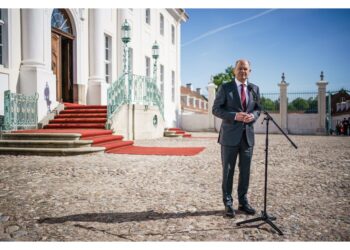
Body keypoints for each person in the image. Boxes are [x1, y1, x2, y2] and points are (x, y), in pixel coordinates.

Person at [212, 59, 261, 218]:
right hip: (229, 137)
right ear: (234, 71)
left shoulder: (254, 89)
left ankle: (243, 201)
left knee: (245, 171)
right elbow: (216, 109)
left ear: (250, 71)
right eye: (240, 68)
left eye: (246, 69)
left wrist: (253, 116)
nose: (243, 71)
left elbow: (258, 109)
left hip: (247, 136)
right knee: (228, 171)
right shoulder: (225, 88)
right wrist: (235, 116)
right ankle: (228, 203)